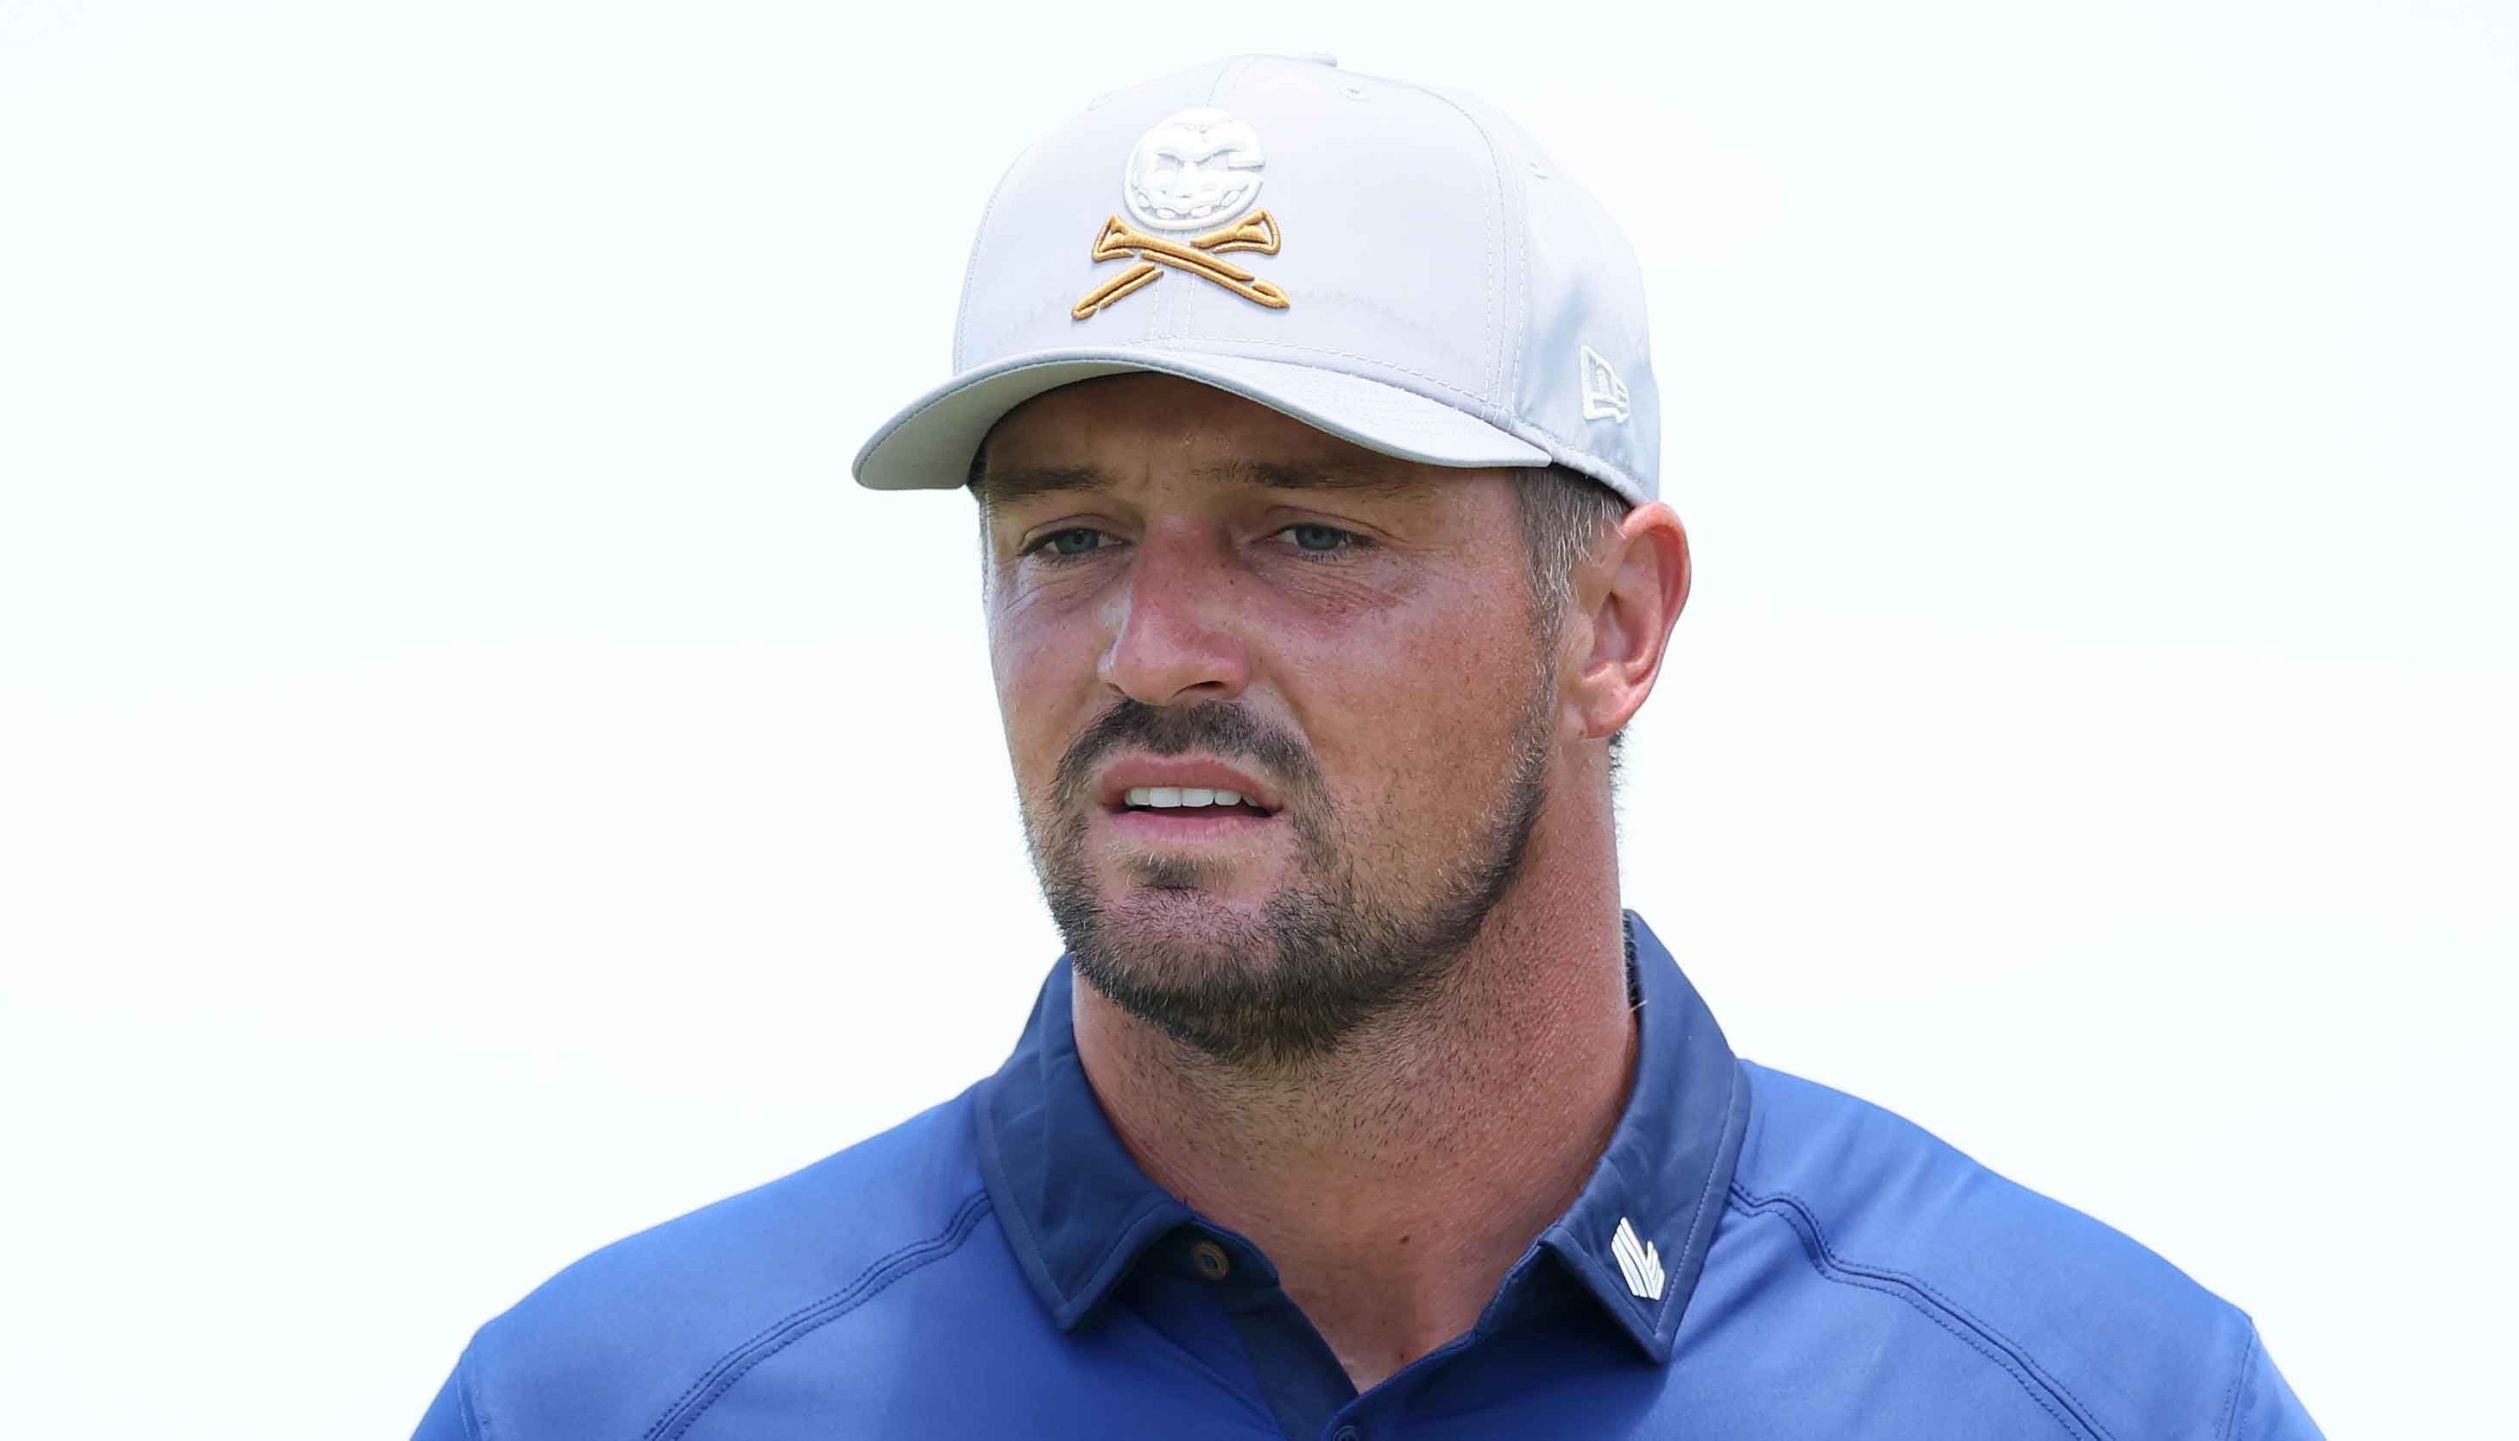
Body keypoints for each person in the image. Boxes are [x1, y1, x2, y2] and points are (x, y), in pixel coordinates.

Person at [412, 53, 2322, 1440]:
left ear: (1615, 625)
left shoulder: (2100, 1397)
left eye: (1306, 532)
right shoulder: (613, 1404)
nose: (1150, 651)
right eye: (1065, 537)